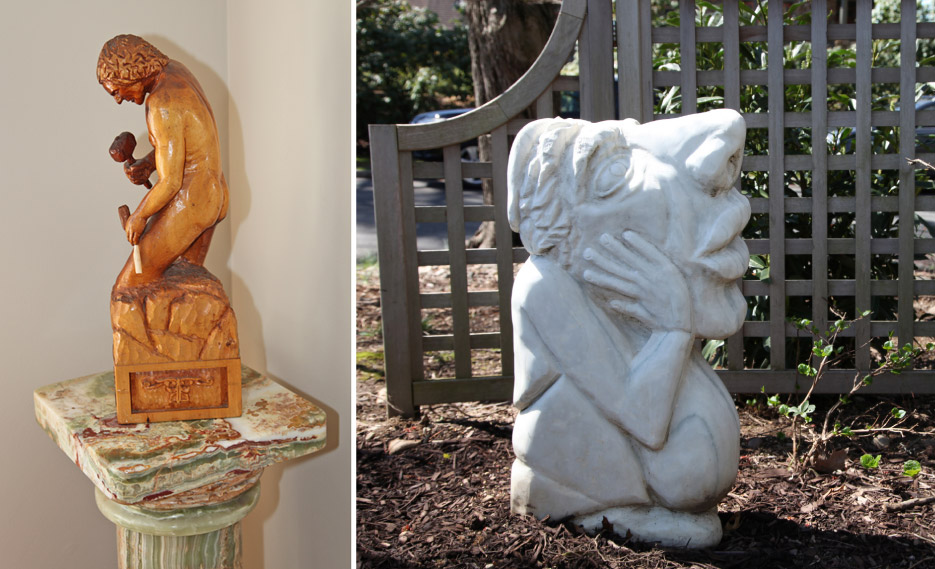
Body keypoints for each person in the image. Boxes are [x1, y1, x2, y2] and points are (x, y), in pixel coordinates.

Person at [98, 34, 229, 289]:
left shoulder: (160, 103)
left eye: (116, 90)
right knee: (180, 287)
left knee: (129, 286)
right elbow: (188, 144)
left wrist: (139, 216)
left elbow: (170, 182)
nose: (117, 99)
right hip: (213, 192)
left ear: (127, 73)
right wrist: (149, 162)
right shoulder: (176, 71)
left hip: (192, 199)